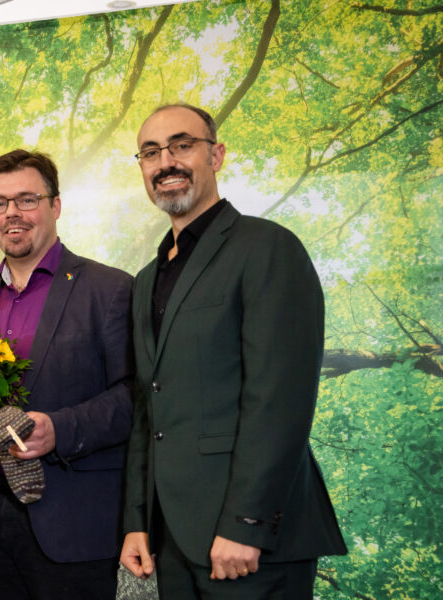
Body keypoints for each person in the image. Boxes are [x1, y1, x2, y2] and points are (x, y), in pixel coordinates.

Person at [121, 103, 347, 598]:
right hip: (173, 541)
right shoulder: (145, 281)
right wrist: (137, 520)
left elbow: (279, 401)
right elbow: (147, 408)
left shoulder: (267, 248)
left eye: (182, 145)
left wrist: (247, 522)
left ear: (216, 155)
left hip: (249, 545)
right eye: (151, 153)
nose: (166, 163)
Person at [0, 149, 134, 598]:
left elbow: (135, 397)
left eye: (27, 199)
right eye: (0, 203)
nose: (12, 214)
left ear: (55, 205)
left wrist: (59, 430)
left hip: (72, 526)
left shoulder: (110, 289)